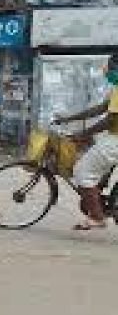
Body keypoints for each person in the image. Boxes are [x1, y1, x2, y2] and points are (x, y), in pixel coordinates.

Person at [55, 53, 118, 230]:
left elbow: (110, 120)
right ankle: (97, 201)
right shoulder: (116, 89)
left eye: (111, 67)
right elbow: (101, 108)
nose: (107, 70)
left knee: (82, 172)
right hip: (112, 137)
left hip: (115, 140)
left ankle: (98, 217)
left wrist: (83, 134)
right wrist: (69, 118)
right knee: (94, 160)